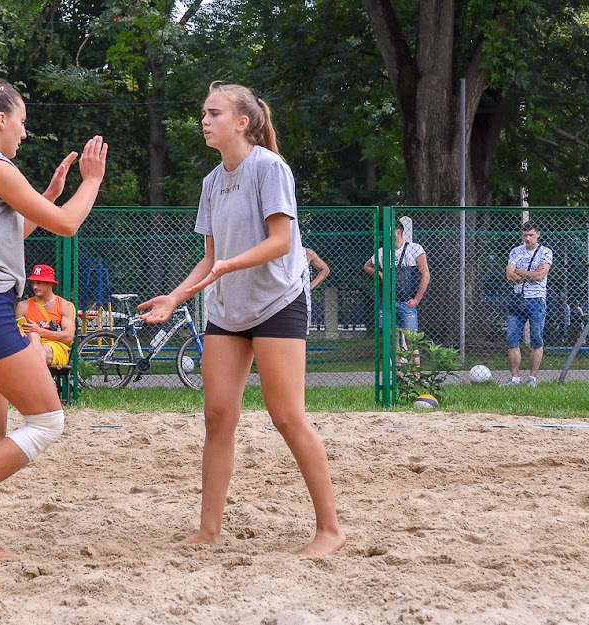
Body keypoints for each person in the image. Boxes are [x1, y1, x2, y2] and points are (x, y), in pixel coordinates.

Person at [139, 82, 345, 556]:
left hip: (277, 302)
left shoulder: (269, 168)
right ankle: (209, 529)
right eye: (204, 113)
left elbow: (280, 242)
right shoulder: (212, 182)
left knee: (287, 417)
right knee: (217, 416)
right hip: (228, 309)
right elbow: (209, 258)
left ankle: (330, 529)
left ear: (243, 122)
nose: (204, 120)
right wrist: (176, 297)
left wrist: (230, 265)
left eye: (213, 113)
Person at [0, 78, 107, 559]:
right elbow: (67, 226)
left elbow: (4, 234)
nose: (25, 134)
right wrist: (91, 182)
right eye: (23, 122)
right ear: (2, 120)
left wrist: (48, 192)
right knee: (47, 421)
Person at [363, 221, 431, 361]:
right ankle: (397, 374)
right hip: (387, 300)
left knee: (411, 339)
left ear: (398, 232)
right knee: (391, 339)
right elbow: (368, 266)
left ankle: (415, 377)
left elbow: (425, 274)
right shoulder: (382, 252)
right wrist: (381, 274)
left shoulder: (414, 249)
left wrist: (417, 299)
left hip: (407, 300)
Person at [502, 221, 552, 388]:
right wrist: (529, 274)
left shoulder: (545, 252)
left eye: (531, 235)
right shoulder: (516, 251)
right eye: (525, 235)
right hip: (517, 298)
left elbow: (540, 277)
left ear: (538, 234)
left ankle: (532, 378)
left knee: (536, 339)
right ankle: (515, 378)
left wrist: (519, 272)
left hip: (536, 299)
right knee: (511, 339)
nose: (528, 239)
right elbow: (509, 275)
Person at [15, 264, 76, 367]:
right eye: (33, 283)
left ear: (50, 283)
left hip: (56, 348)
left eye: (39, 283)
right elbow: (17, 335)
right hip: (27, 347)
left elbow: (68, 337)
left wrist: (40, 331)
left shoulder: (65, 306)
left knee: (37, 346)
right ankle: (44, 381)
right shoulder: (23, 306)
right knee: (33, 337)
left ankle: (37, 380)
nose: (35, 286)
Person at [302, 247, 330, 332]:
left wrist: (311, 285)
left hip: (302, 300)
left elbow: (325, 269)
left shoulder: (306, 252)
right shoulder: (278, 251)